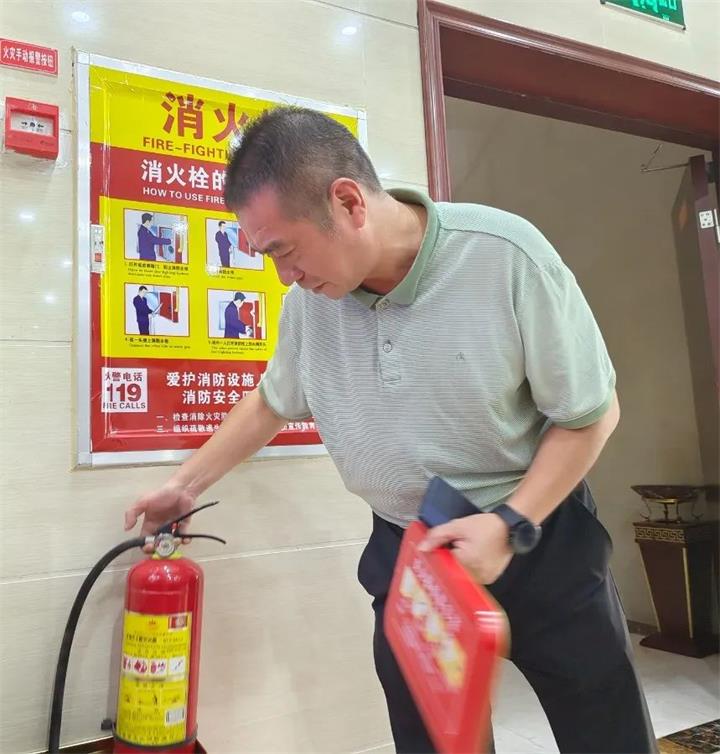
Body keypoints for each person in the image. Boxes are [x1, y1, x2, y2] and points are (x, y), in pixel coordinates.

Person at [125, 107, 657, 754]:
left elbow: (591, 414)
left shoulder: (504, 256)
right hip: (413, 551)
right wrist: (186, 484)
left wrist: (509, 523)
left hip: (538, 536)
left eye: (283, 250)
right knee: (433, 740)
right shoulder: (311, 305)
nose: (283, 276)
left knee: (605, 732)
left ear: (348, 202)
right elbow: (272, 401)